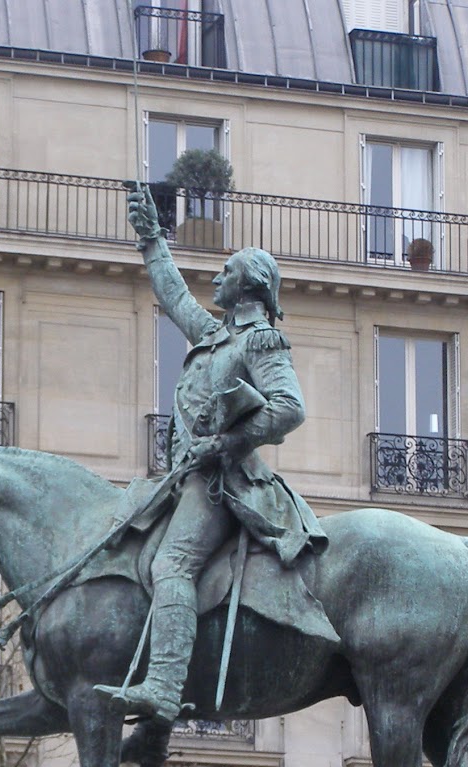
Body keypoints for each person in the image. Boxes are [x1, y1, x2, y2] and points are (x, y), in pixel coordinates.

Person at [94, 185, 325, 724]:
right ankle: (154, 727)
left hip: (224, 484)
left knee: (172, 564)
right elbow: (174, 297)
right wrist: (151, 238)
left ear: (249, 285)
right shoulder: (216, 335)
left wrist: (226, 443)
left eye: (226, 272)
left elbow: (290, 407)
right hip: (184, 479)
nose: (216, 279)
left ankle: (163, 688)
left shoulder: (260, 340)